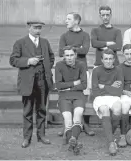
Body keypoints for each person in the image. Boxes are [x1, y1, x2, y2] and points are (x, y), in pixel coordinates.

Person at [9, 19, 54, 148]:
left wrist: (46, 68)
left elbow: (51, 57)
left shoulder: (45, 42)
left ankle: (41, 136)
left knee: (41, 110)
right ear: (29, 27)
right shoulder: (20, 43)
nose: (38, 30)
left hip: (42, 81)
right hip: (27, 82)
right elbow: (13, 60)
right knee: (27, 111)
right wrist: (28, 61)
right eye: (35, 28)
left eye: (40, 28)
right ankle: (27, 138)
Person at [58, 12, 94, 136]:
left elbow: (85, 50)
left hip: (81, 70)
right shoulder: (64, 35)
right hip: (67, 71)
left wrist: (70, 48)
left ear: (77, 21)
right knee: (66, 96)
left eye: (68, 19)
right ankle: (66, 125)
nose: (65, 21)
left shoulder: (85, 35)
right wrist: (76, 48)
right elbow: (60, 52)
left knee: (83, 97)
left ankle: (85, 124)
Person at [55, 46, 88, 155]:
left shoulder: (81, 65)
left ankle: (72, 139)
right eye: (67, 55)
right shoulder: (59, 65)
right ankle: (74, 141)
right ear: (64, 56)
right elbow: (59, 85)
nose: (69, 58)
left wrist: (68, 87)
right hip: (64, 96)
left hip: (78, 95)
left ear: (75, 55)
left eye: (71, 55)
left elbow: (84, 85)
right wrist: (74, 83)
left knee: (77, 117)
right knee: (68, 120)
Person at [91, 49, 123, 155]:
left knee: (118, 109)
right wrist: (111, 87)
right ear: (102, 60)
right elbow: (95, 92)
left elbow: (118, 91)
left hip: (114, 97)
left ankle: (109, 133)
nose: (108, 61)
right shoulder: (96, 71)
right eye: (106, 59)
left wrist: (103, 86)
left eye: (110, 59)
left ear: (114, 59)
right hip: (100, 98)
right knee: (105, 110)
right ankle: (111, 143)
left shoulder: (118, 70)